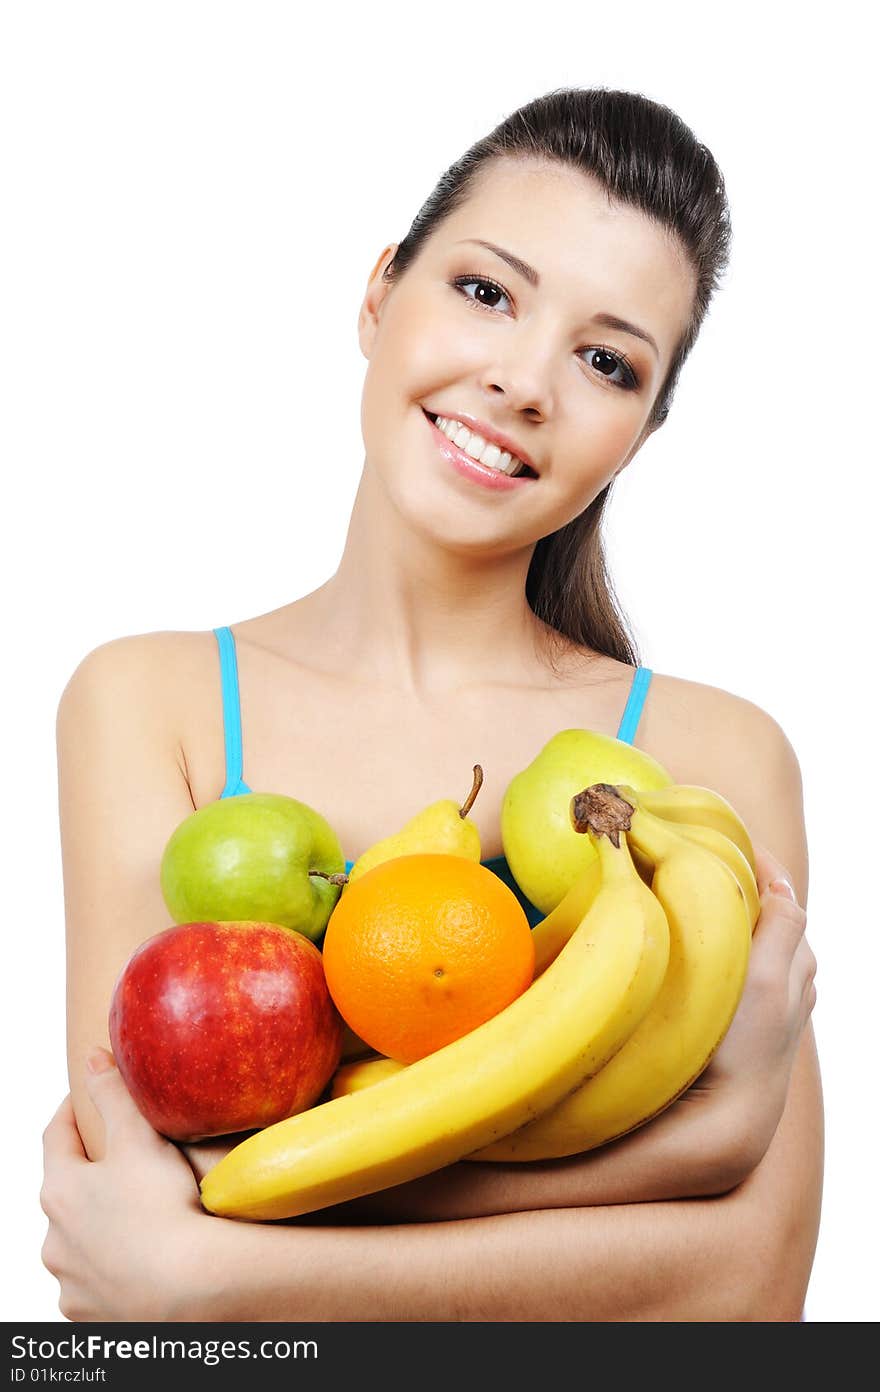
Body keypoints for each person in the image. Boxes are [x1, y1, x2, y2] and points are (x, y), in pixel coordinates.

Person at [39, 86, 822, 1322]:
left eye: (606, 361)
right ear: (376, 293)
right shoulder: (150, 701)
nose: (522, 382)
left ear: (639, 435)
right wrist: (699, 1147)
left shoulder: (706, 755)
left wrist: (227, 1275)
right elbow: (133, 1197)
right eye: (485, 291)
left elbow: (751, 1291)